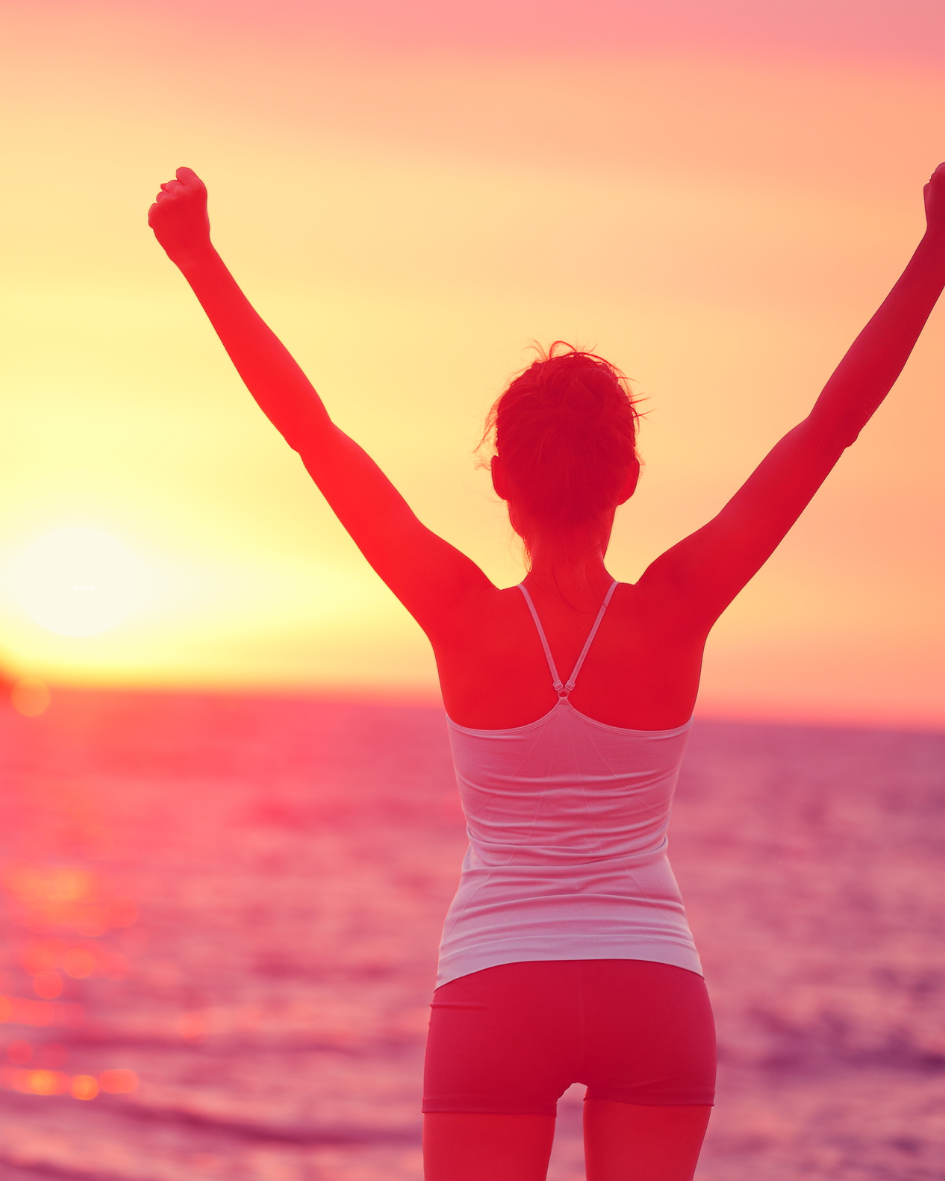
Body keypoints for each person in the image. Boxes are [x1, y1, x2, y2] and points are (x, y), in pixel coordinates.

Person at [148, 163, 945, 1181]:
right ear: (629, 477)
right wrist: (934, 252)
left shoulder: (459, 614)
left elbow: (312, 434)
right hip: (650, 988)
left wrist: (199, 257)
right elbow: (830, 427)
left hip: (496, 991)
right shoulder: (678, 606)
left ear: (499, 483)